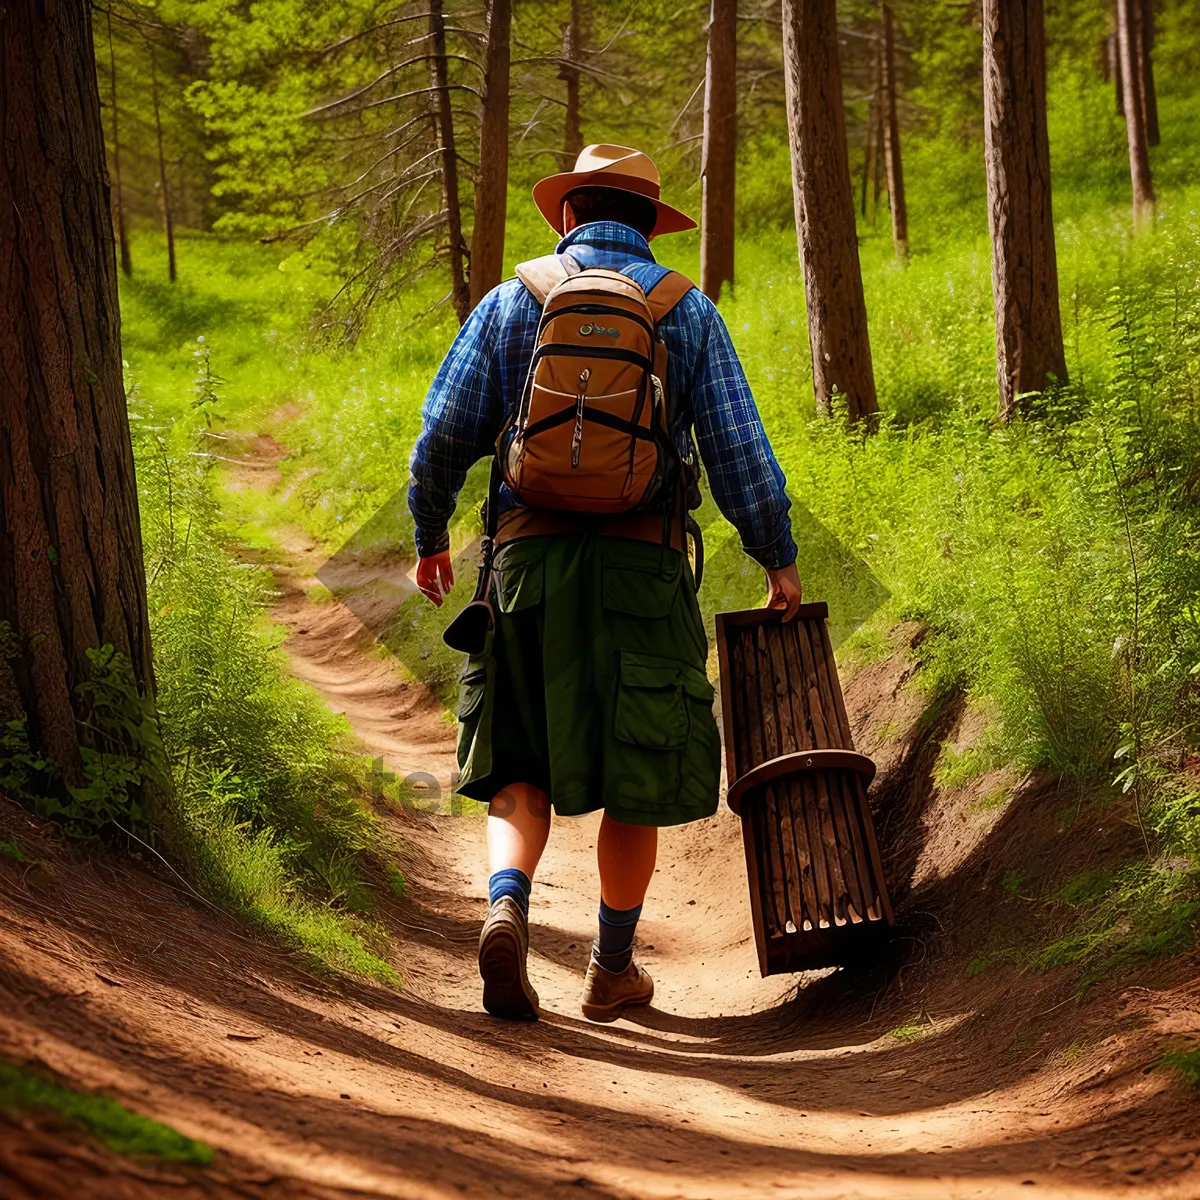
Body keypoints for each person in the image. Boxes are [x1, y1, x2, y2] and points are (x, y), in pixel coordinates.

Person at [409, 144, 800, 1023]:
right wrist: (777, 553)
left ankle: (507, 903)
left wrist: (431, 535)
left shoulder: (516, 300)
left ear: (565, 216)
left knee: (517, 759)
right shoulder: (683, 310)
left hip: (524, 565)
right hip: (645, 565)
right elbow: (741, 453)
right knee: (639, 767)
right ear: (652, 223)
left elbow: (441, 434)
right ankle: (612, 967)